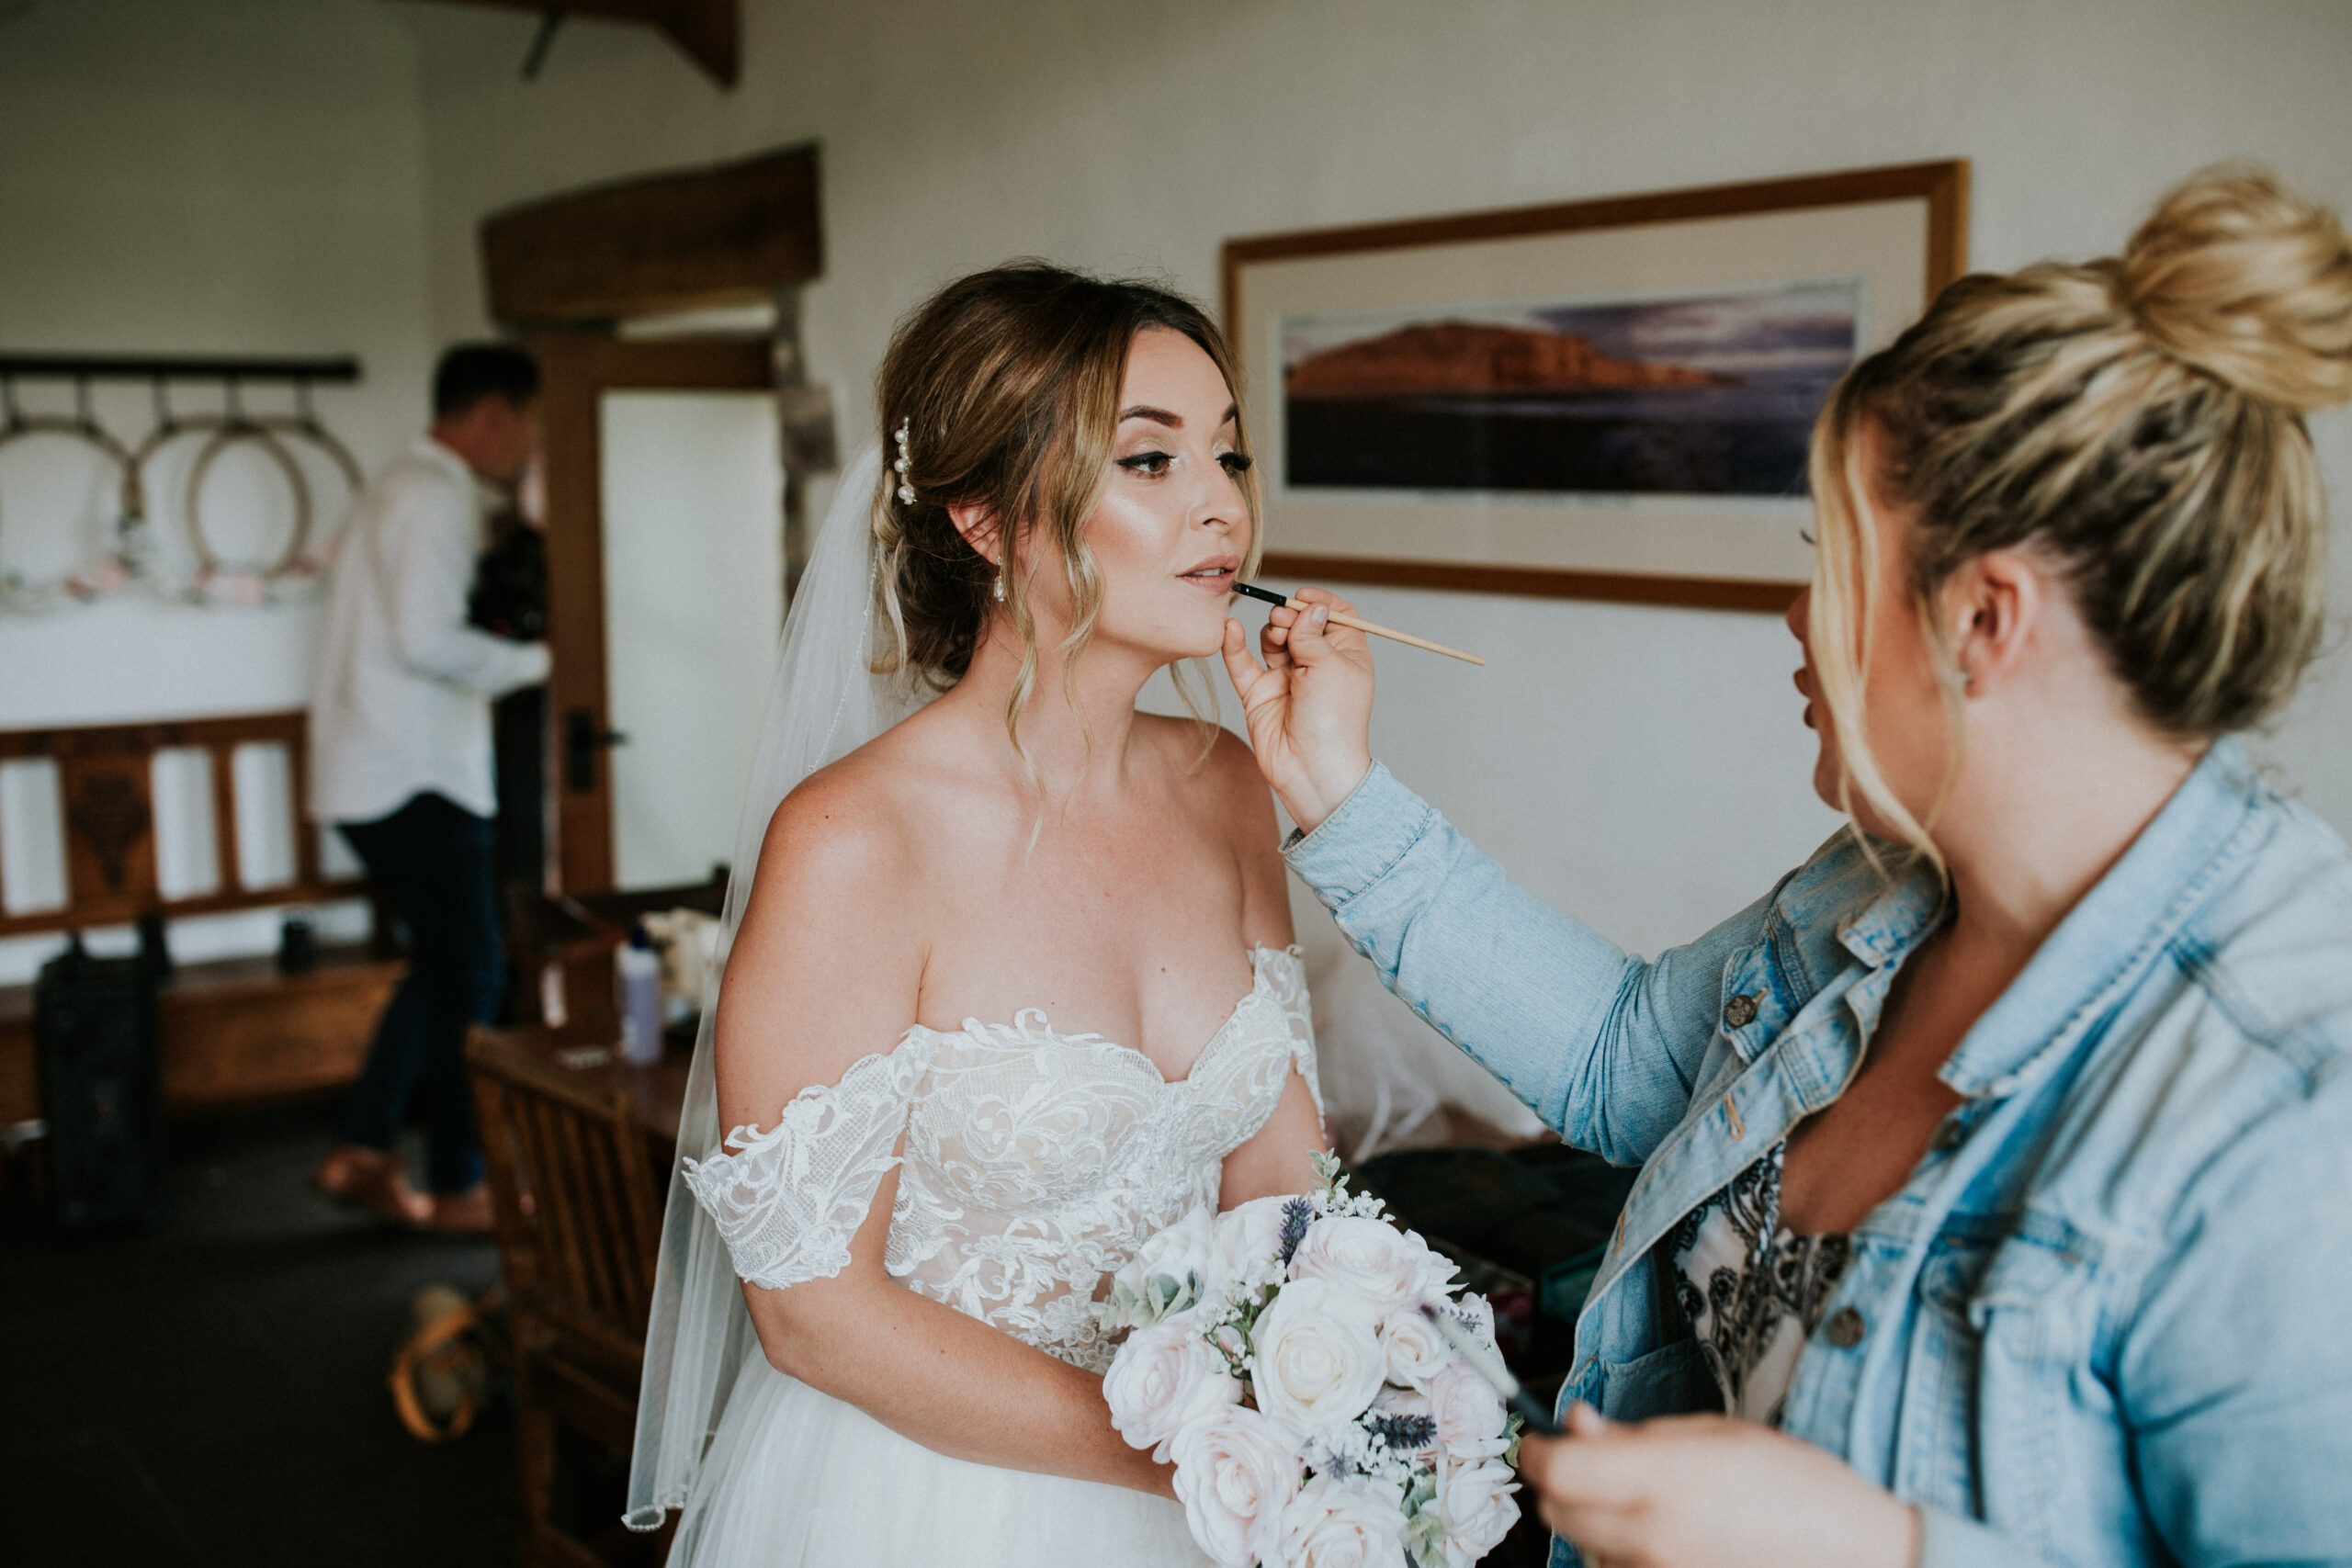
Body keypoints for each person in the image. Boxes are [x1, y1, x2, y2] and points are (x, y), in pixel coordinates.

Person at [1222, 165, 2352, 1567]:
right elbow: (1631, 1062)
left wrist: (1874, 1548)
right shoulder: (1885, 882)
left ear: (1984, 619)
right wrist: (1337, 786)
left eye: (1831, 558)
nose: (1793, 615)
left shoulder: (2292, 1099)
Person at [625, 264, 1326, 1565]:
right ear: (986, 519)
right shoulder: (853, 839)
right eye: (1151, 461)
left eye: (1227, 452)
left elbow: (1281, 1178)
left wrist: (1335, 1385)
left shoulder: (1229, 783)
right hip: (935, 1498)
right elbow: (816, 1311)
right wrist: (1194, 1454)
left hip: (1225, 1491)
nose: (1223, 505)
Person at [309, 344, 551, 1232]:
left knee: (444, 970)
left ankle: (365, 1148)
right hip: (415, 774)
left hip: (370, 766)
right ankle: (458, 1185)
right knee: (473, 975)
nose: (526, 445)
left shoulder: (394, 484)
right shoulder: (435, 494)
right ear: (492, 412)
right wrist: (543, 659)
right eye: (526, 424)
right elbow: (426, 639)